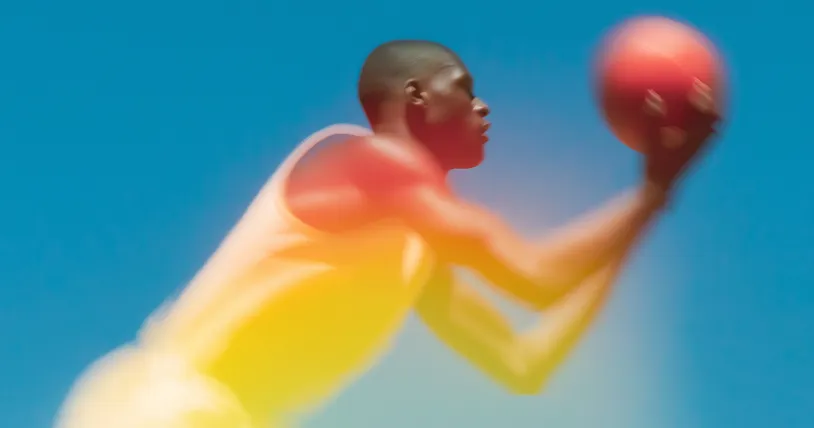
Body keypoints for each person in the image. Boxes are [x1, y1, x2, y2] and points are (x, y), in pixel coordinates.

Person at [55, 40, 719, 428]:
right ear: (416, 99)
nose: (482, 106)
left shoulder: (411, 251)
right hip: (158, 408)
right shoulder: (372, 161)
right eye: (465, 89)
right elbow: (534, 276)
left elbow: (524, 364)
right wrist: (652, 192)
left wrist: (651, 203)